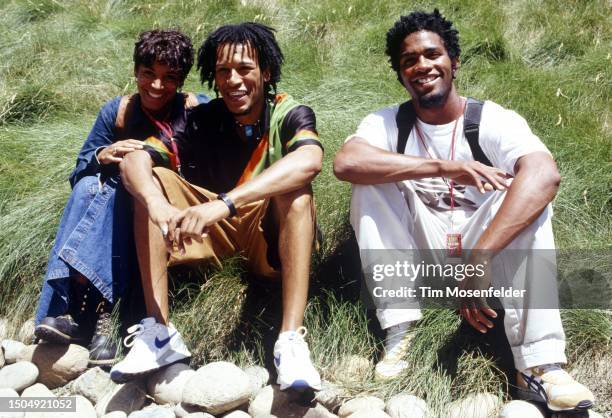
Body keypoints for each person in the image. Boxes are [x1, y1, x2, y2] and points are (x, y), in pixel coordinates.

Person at [333, 9, 595, 413]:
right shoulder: (388, 123)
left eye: (432, 54)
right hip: (421, 262)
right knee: (369, 183)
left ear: (453, 62)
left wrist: (479, 257)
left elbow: (546, 174)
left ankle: (540, 366)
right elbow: (345, 163)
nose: (422, 65)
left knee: (530, 199)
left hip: (486, 260)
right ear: (400, 74)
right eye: (409, 61)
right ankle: (402, 329)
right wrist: (445, 167)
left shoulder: (490, 120)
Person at [111, 22, 323, 391]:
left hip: (264, 235)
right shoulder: (198, 117)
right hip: (207, 235)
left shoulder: (288, 113)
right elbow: (133, 161)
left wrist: (225, 204)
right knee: (150, 183)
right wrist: (158, 206)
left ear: (266, 71)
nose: (233, 80)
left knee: (297, 191)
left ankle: (290, 341)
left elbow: (310, 160)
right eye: (223, 71)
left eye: (244, 69)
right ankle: (159, 332)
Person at [34, 29, 206, 367]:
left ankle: (74, 308)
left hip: (169, 212)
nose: (157, 86)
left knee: (117, 187)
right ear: (135, 72)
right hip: (118, 214)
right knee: (89, 187)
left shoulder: (195, 109)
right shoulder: (118, 111)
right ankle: (100, 316)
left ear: (181, 80)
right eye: (148, 75)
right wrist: (103, 154)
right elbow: (79, 172)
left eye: (169, 78)